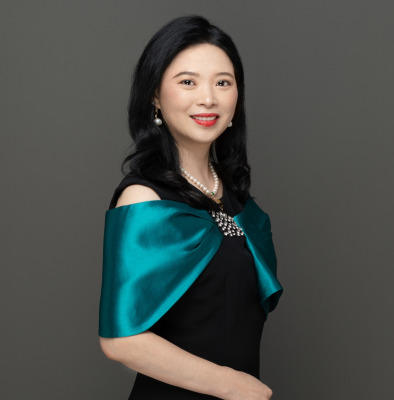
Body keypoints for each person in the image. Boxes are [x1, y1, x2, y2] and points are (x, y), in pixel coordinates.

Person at [98, 15, 283, 400]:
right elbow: (121, 340)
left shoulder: (235, 196)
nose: (208, 98)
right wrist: (232, 385)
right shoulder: (144, 198)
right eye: (188, 82)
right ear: (155, 96)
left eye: (223, 82)